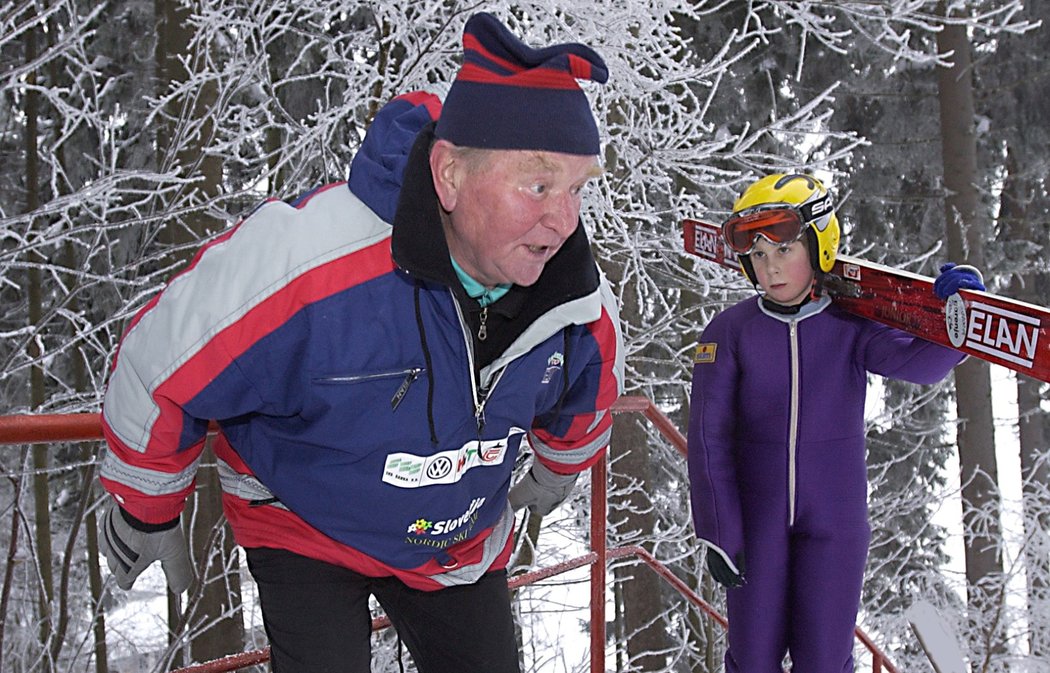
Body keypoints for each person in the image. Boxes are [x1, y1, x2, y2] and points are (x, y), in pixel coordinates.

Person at [97, 12, 624, 673]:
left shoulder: (573, 296)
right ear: (450, 175)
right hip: (303, 519)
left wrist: (560, 466)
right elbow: (162, 357)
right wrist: (148, 506)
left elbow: (590, 385)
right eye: (539, 183)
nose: (564, 217)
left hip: (455, 540)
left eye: (578, 187)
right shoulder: (309, 261)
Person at [686, 173, 984, 672]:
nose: (771, 269)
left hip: (836, 525)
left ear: (820, 245)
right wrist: (716, 530)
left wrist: (958, 316)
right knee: (752, 660)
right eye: (758, 257)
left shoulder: (850, 327)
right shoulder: (729, 332)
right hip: (755, 530)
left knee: (825, 661)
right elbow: (708, 439)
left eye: (783, 251)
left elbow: (923, 366)